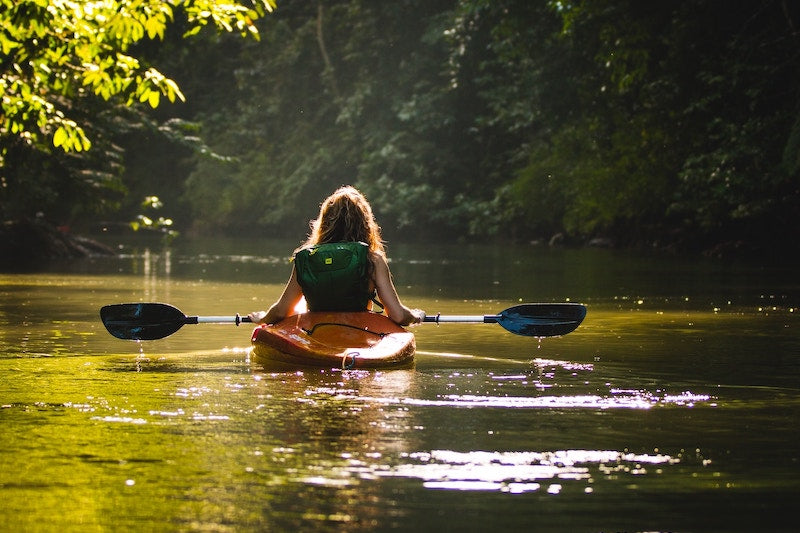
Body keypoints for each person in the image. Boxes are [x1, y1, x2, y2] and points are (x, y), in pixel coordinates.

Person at [248, 186, 425, 326]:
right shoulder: (373, 260)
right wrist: (415, 316)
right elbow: (398, 315)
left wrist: (263, 318)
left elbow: (281, 311)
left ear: (324, 222)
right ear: (365, 223)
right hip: (359, 331)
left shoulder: (307, 258)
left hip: (316, 332)